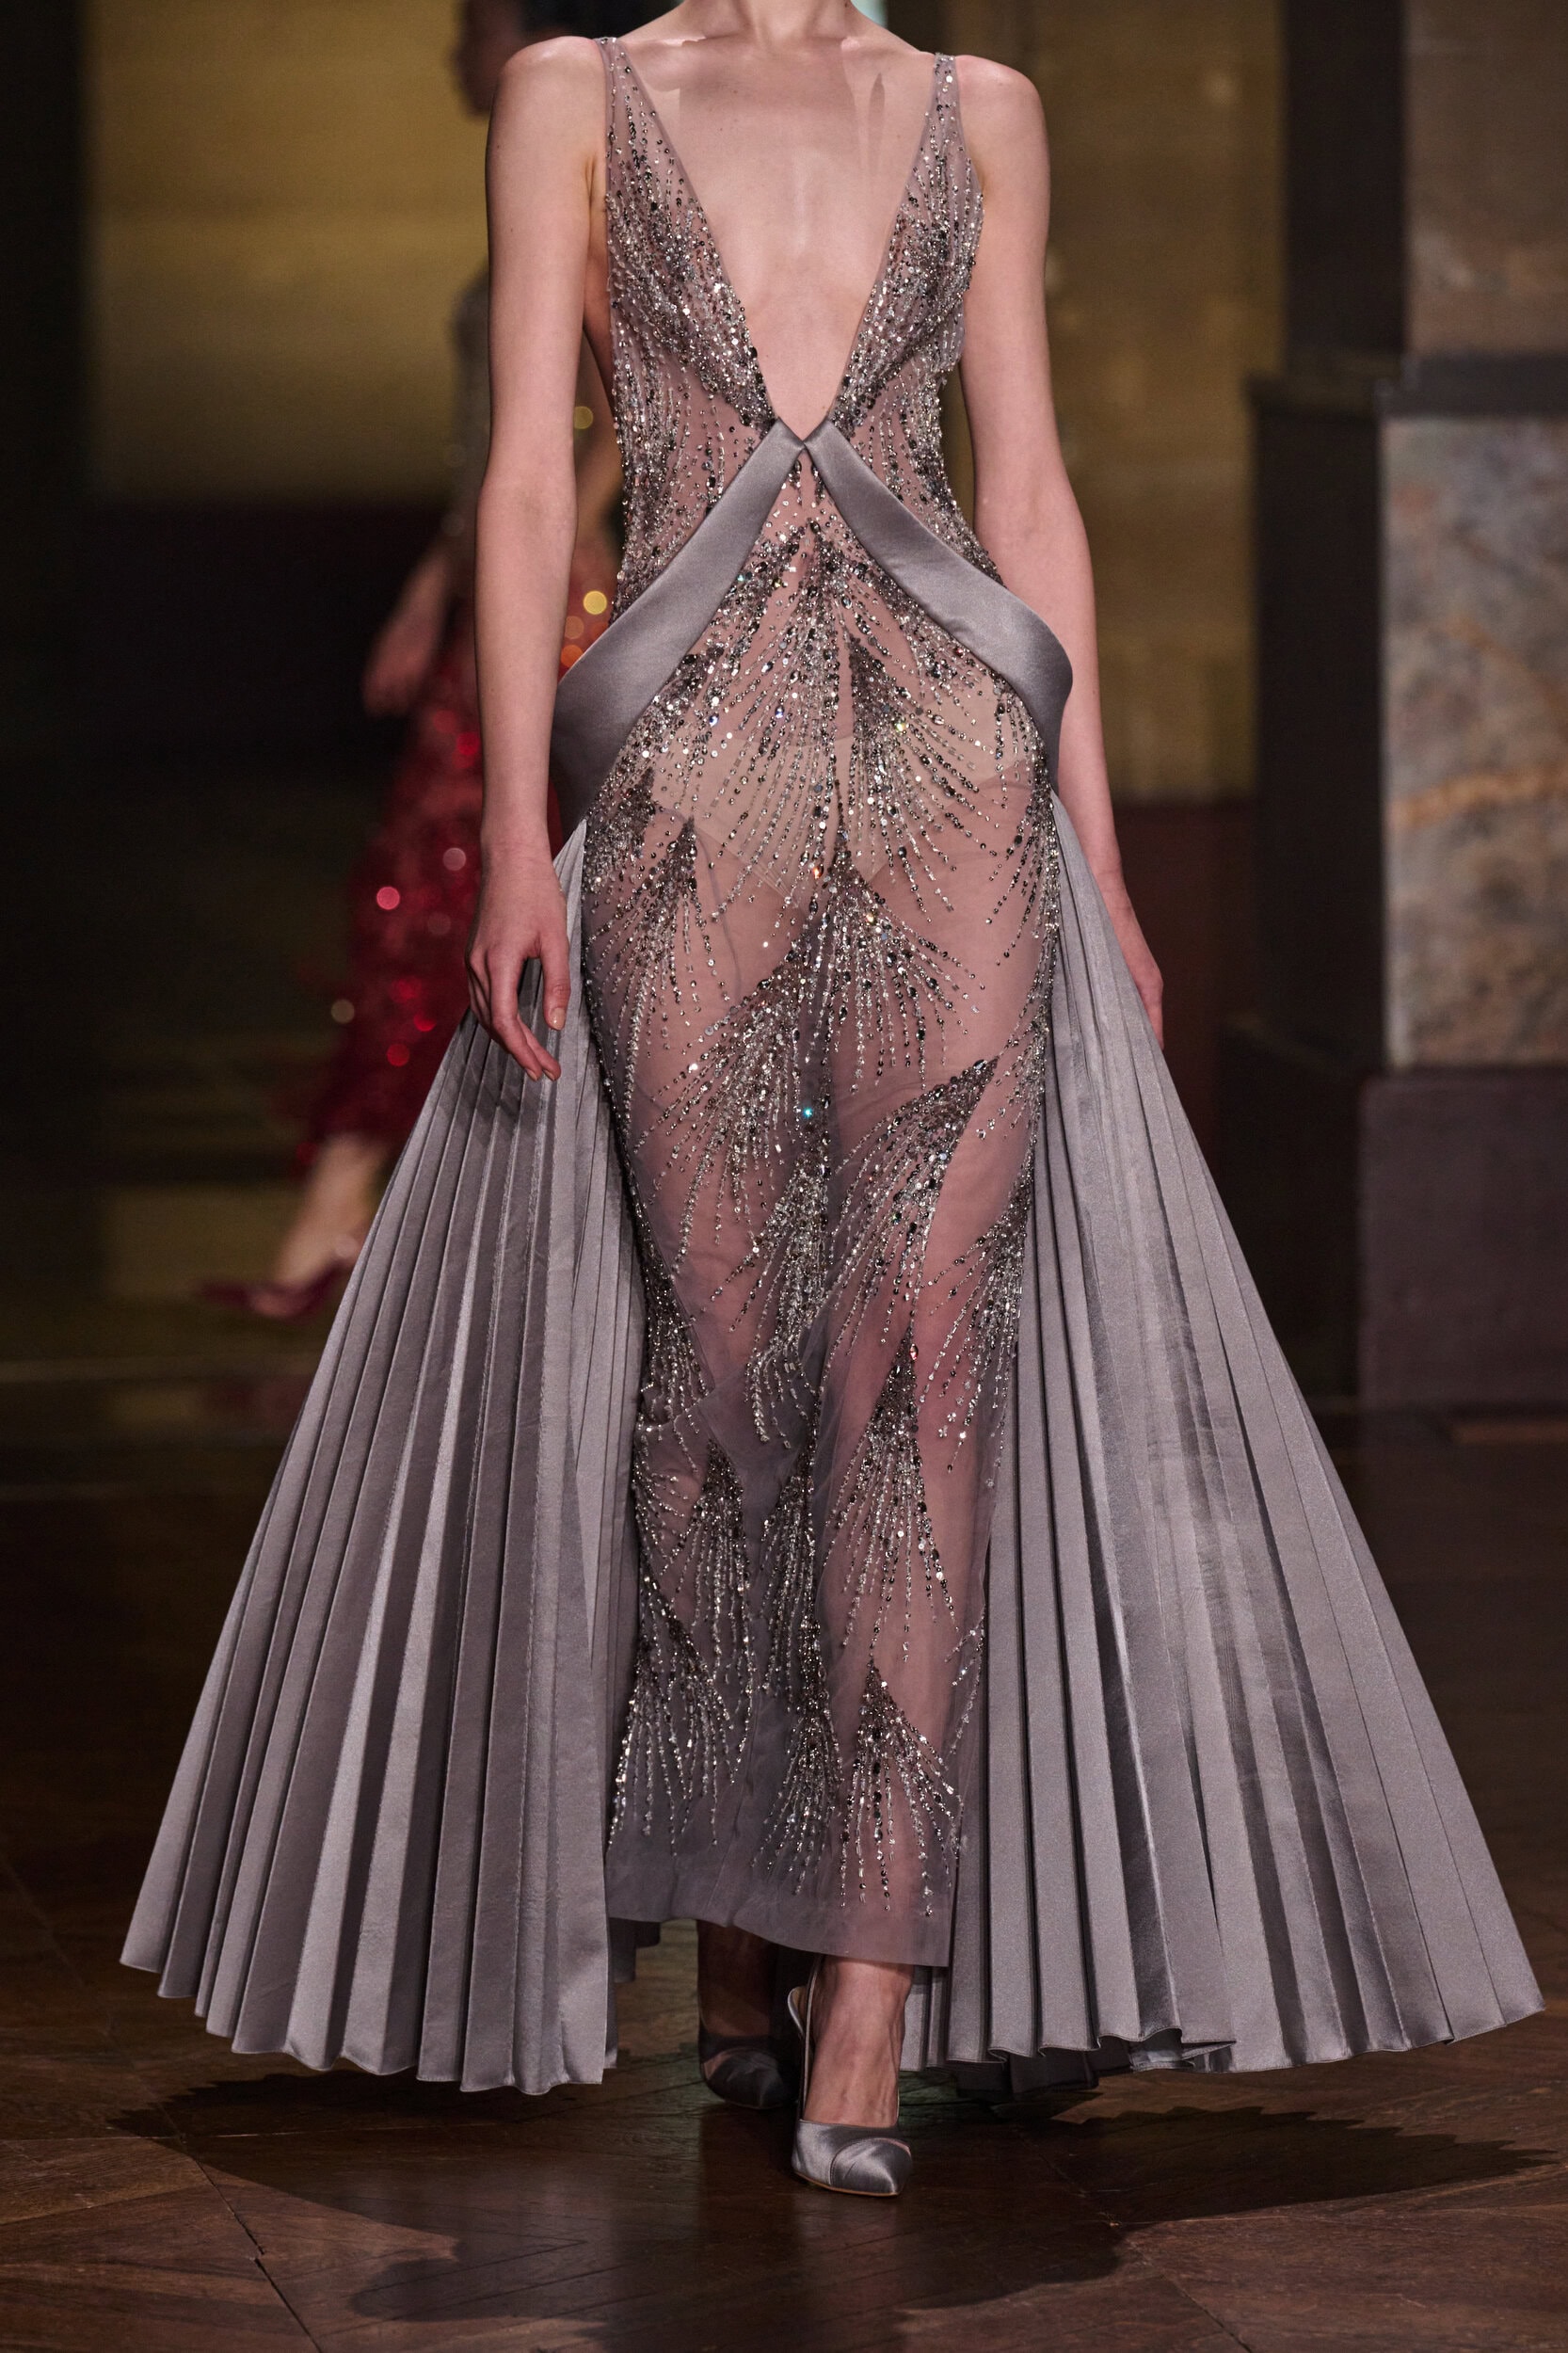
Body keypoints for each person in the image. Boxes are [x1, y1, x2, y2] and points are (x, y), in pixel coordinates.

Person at [130, 1, 1539, 2201]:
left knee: (919, 1356)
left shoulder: (980, 110)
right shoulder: (577, 94)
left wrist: (1096, 852)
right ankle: (734, 1905)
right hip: (685, 774)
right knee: (718, 1370)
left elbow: (1030, 485)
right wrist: (513, 842)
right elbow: (527, 478)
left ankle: (865, 1986)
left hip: (954, 768)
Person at [209, 0, 625, 1321]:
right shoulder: (541, 162)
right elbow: (497, 444)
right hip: (500, 578)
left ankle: (358, 1221)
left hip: (559, 597)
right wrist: (431, 588)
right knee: (434, 882)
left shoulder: (603, 153)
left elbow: (621, 401)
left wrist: (567, 536)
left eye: (472, 31)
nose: (455, 58)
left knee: (462, 873)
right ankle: (353, 1220)